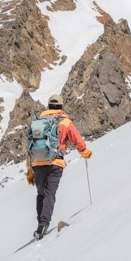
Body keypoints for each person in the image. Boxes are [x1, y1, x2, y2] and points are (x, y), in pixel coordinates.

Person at [26, 94, 92, 239]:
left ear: (48, 106)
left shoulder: (38, 122)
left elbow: (30, 147)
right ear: (61, 107)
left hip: (37, 164)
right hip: (55, 163)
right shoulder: (65, 122)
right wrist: (85, 153)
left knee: (41, 194)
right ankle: (43, 225)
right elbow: (77, 141)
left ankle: (40, 226)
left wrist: (29, 170)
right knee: (50, 194)